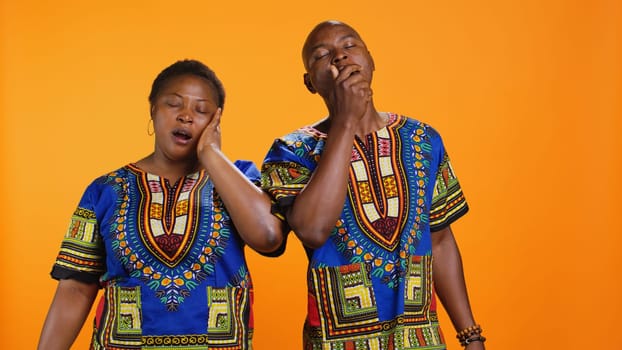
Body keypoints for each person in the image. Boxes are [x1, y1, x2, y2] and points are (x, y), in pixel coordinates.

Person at [261, 21, 486, 349]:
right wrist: (345, 120)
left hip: (419, 340)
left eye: (350, 46)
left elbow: (439, 242)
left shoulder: (423, 139)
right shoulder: (291, 151)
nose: (339, 57)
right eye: (322, 55)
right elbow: (312, 230)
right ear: (310, 83)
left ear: (371, 59)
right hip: (338, 341)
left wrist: (470, 336)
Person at [38, 59, 284, 349]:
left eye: (201, 110)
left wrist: (212, 155)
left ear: (216, 121)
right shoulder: (104, 191)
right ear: (153, 109)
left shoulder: (239, 177)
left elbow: (269, 238)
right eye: (174, 104)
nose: (186, 116)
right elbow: (76, 289)